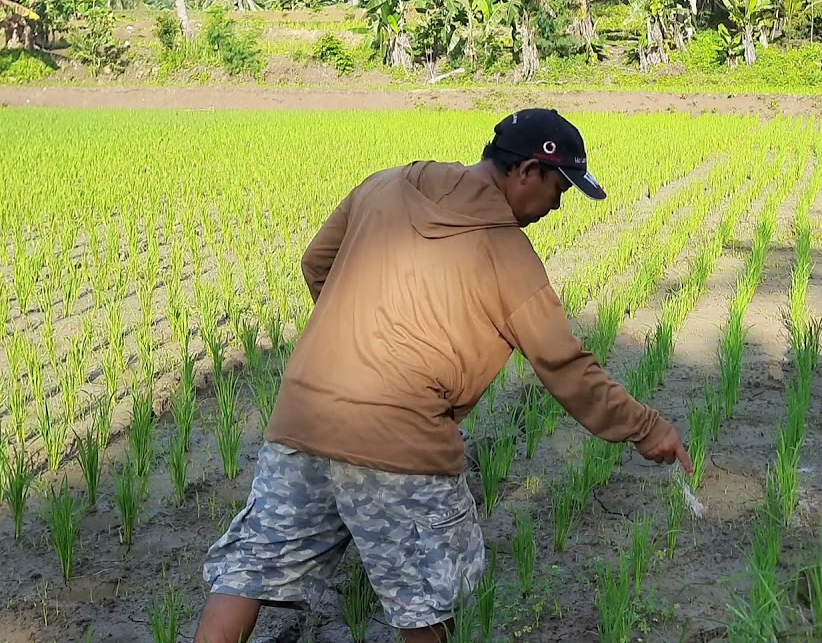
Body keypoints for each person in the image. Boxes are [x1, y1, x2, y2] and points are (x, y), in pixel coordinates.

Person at [192, 108, 693, 643]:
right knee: (427, 601)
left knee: (249, 569)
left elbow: (318, 262)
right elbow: (564, 365)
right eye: (558, 188)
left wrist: (358, 336)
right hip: (401, 442)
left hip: (303, 418)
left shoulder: (387, 185)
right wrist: (647, 428)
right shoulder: (508, 254)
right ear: (526, 171)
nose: (556, 205)